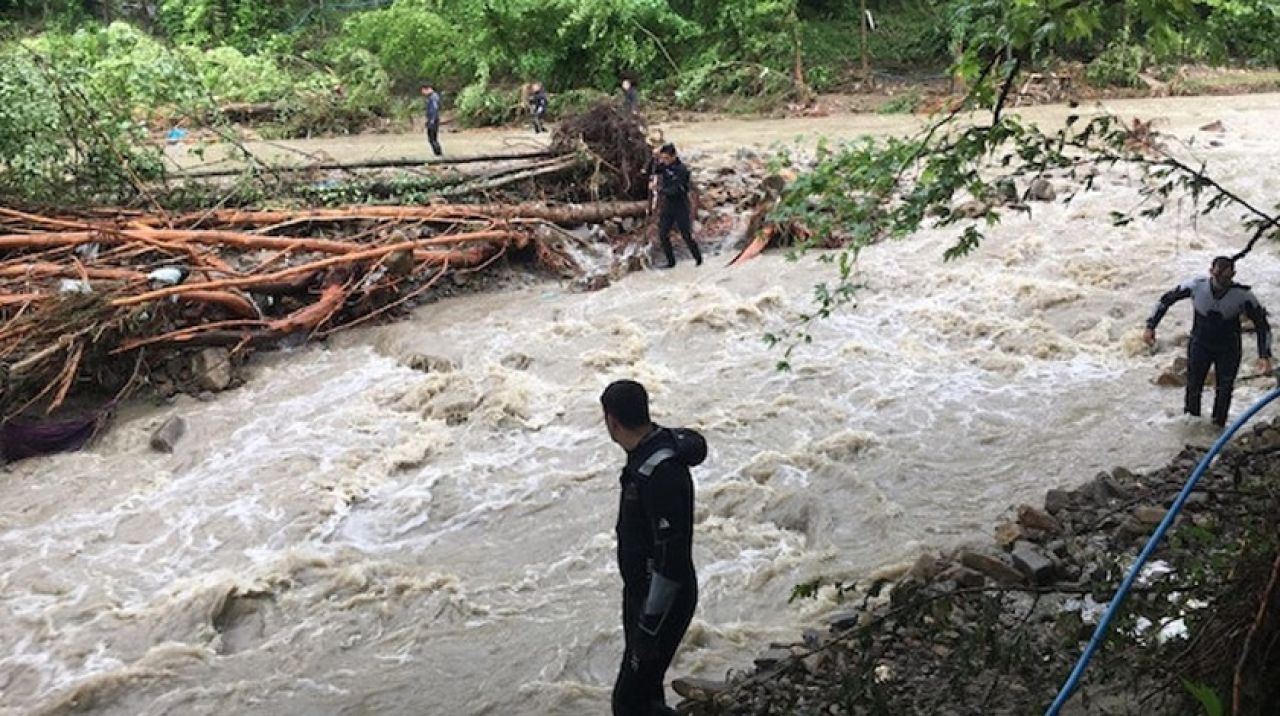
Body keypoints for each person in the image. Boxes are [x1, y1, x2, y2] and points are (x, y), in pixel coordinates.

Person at [601, 380, 706, 716]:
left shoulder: (659, 472)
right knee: (647, 687)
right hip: (641, 593)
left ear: (612, 421)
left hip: (662, 599)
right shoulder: (651, 448)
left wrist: (648, 626)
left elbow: (670, 560)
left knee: (628, 703)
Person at [1144, 256, 1273, 426]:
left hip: (1228, 348)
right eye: (1219, 276)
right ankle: (1191, 425)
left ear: (1233, 275)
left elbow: (1262, 324)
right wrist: (1150, 326)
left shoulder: (1243, 296)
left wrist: (1264, 354)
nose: (1222, 282)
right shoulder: (1196, 286)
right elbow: (1166, 300)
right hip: (1200, 343)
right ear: (1211, 272)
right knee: (1193, 387)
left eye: (1227, 278)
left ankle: (1217, 427)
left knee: (1224, 390)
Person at [650, 143, 702, 268]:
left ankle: (698, 259)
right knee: (663, 234)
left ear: (674, 156)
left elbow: (677, 190)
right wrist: (653, 157)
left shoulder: (682, 170)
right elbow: (650, 170)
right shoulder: (663, 166)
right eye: (663, 158)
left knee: (686, 235)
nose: (664, 161)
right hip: (668, 206)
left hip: (681, 206)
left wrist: (658, 189)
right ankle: (671, 262)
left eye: (667, 158)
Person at [420, 83, 442, 156]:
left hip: (433, 121)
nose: (423, 93)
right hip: (432, 120)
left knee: (432, 139)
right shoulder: (432, 97)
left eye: (423, 91)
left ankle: (438, 154)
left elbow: (435, 109)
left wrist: (432, 120)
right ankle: (438, 153)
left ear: (427, 89)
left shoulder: (433, 97)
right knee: (432, 139)